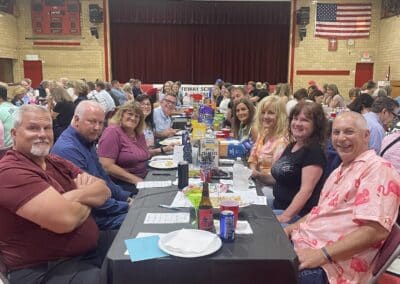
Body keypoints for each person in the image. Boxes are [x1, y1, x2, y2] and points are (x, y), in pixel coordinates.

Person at [0, 105, 113, 283]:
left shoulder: (54, 161)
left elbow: (103, 190)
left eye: (47, 128)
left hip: (86, 251)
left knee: (140, 250)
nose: (42, 134)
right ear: (14, 134)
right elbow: (66, 221)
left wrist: (74, 196)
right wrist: (86, 195)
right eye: (33, 128)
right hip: (45, 268)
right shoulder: (10, 172)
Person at [285, 111, 400, 284]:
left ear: (366, 135)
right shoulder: (341, 169)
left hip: (330, 267)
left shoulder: (378, 170)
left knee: (253, 270)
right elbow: (319, 212)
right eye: (336, 132)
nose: (341, 138)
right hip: (304, 244)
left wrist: (321, 255)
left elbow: (376, 230)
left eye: (349, 131)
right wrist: (289, 229)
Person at [52, 101, 131, 230]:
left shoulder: (87, 139)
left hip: (106, 210)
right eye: (92, 121)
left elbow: (104, 178)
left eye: (101, 123)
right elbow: (93, 198)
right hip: (93, 220)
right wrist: (125, 206)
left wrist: (127, 198)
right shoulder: (68, 149)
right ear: (77, 120)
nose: (97, 128)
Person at [271, 102, 327, 224]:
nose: (297, 124)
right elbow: (281, 176)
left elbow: (306, 191)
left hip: (296, 215)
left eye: (304, 120)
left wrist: (285, 216)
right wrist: (257, 175)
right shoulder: (292, 146)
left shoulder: (314, 151)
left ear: (316, 126)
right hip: (277, 204)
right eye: (295, 119)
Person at [98, 101, 151, 193]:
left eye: (137, 116)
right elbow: (106, 166)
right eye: (130, 114)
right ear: (121, 115)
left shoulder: (138, 133)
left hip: (144, 178)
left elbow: (143, 154)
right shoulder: (112, 132)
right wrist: (136, 180)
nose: (133, 118)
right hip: (123, 185)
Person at [249, 96, 288, 203]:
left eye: (271, 113)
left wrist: (257, 175)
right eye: (263, 112)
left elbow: (278, 179)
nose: (265, 116)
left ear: (280, 116)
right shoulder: (264, 133)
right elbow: (252, 158)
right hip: (258, 182)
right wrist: (253, 171)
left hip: (271, 190)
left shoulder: (282, 142)